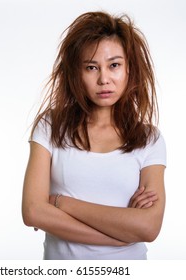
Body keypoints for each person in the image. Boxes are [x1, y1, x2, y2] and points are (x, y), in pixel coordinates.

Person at [22, 11, 166, 260]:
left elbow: (148, 227)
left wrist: (60, 203)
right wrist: (121, 233)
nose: (104, 79)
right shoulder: (51, 125)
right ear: (77, 73)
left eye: (114, 65)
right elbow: (33, 212)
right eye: (91, 67)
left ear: (129, 70)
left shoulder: (149, 139)